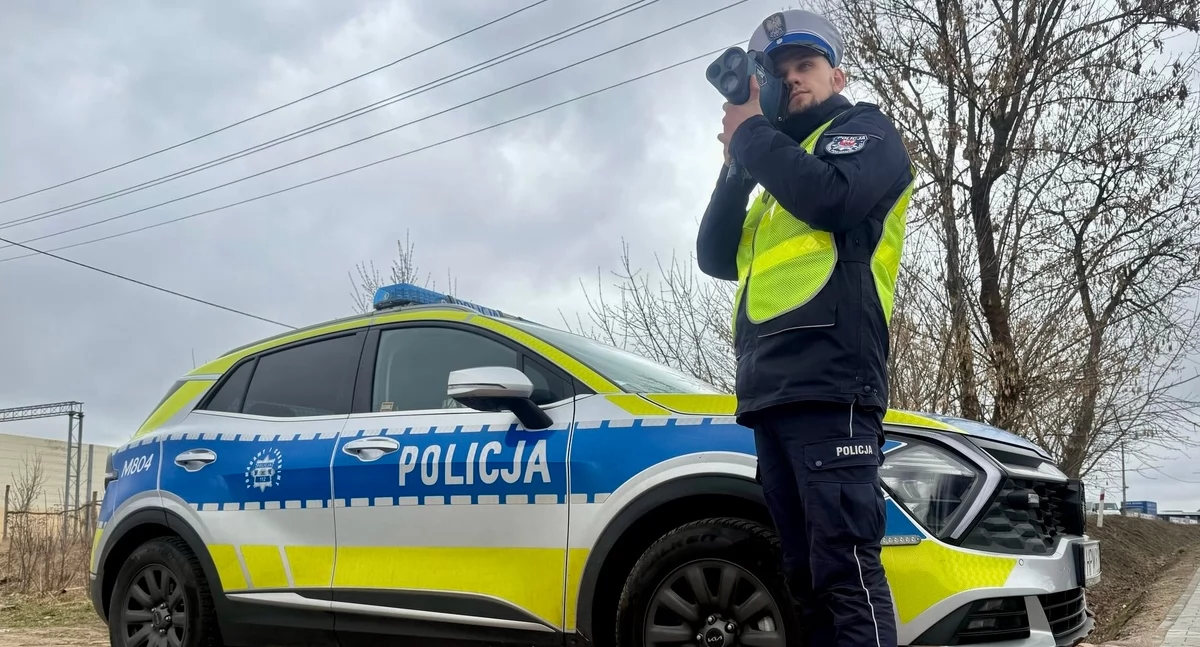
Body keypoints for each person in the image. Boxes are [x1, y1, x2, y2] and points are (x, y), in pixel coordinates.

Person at [695, 9, 915, 647]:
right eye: (779, 70)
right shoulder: (773, 171)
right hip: (771, 396)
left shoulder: (864, 132)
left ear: (836, 73)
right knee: (802, 575)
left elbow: (833, 200)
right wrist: (740, 159)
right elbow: (714, 255)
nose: (792, 79)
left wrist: (754, 137)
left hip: (832, 386)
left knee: (844, 570)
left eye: (805, 65)